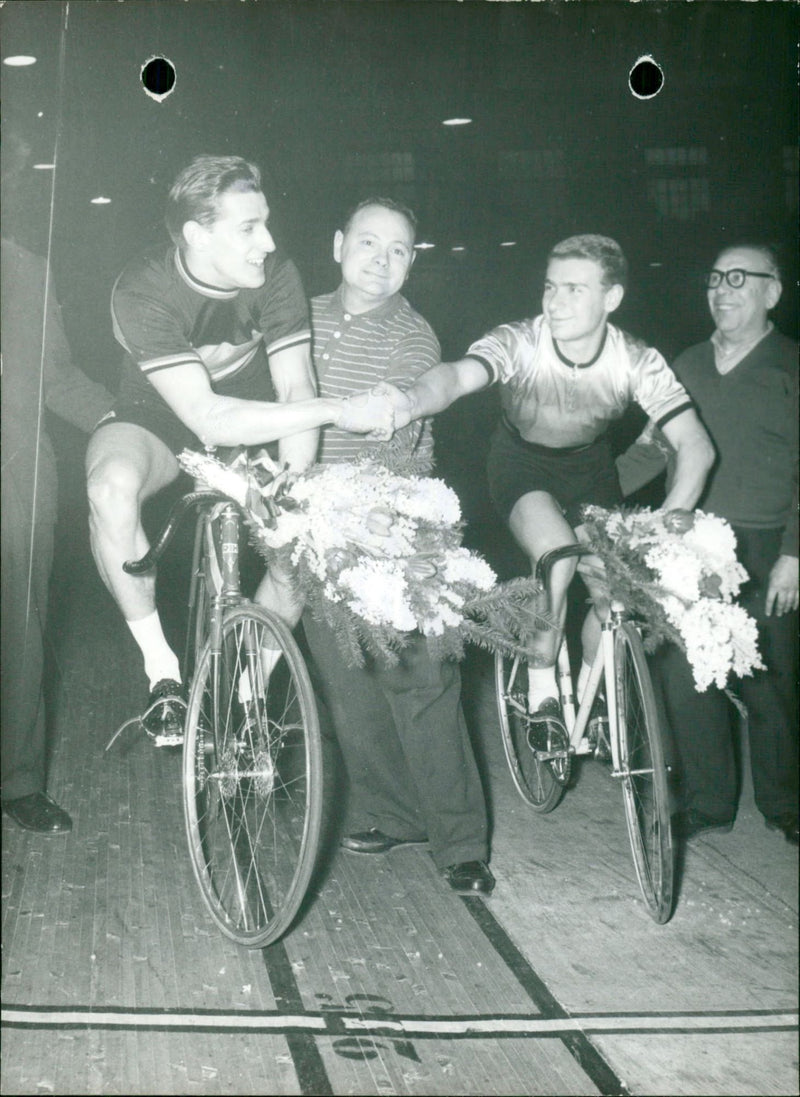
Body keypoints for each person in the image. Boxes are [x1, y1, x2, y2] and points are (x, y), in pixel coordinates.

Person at [85, 156, 393, 739]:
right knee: (109, 489)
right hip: (163, 411)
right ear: (198, 235)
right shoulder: (141, 286)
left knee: (301, 540)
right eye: (249, 227)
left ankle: (252, 691)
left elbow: (296, 384)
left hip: (258, 408)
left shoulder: (277, 274)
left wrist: (295, 483)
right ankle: (163, 675)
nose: (269, 241)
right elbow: (205, 416)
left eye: (267, 222)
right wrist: (338, 411)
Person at [377, 234, 714, 733]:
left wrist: (669, 521)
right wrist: (412, 400)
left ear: (612, 299)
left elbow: (697, 448)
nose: (555, 302)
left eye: (574, 290)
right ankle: (542, 699)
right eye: (551, 287)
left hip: (591, 470)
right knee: (557, 560)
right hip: (521, 463)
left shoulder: (637, 359)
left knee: (614, 594)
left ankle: (593, 698)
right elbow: (455, 377)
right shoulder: (520, 340)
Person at [300, 197, 495, 895]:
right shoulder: (296, 317)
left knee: (421, 683)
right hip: (309, 523)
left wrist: (403, 402)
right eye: (369, 242)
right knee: (349, 685)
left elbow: (423, 388)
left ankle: (461, 842)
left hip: (392, 518)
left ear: (413, 262)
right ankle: (398, 813)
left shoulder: (413, 332)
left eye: (400, 250)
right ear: (337, 243)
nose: (382, 260)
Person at [640, 243, 798, 845]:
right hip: (698, 543)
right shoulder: (686, 363)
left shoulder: (790, 365)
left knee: (771, 678)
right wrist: (584, 492)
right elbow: (652, 448)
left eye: (739, 278)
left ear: (772, 292)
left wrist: (794, 552)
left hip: (769, 546)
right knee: (689, 676)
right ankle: (710, 802)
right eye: (714, 278)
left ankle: (786, 803)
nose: (722, 290)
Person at [2, 149, 116, 831]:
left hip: (16, 481)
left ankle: (17, 780)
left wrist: (127, 416)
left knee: (21, 630)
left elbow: (59, 377)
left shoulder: (26, 271)